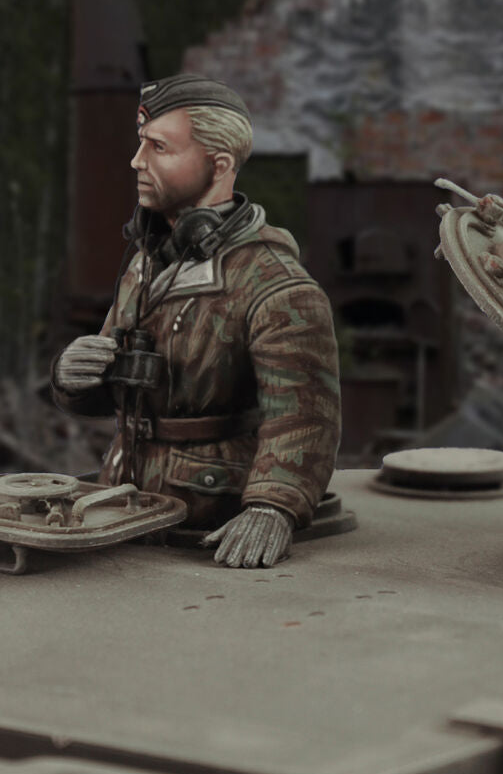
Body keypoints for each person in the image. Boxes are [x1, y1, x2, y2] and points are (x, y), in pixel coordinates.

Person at [51, 73, 341, 566]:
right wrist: (75, 377)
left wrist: (273, 506)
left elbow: (304, 416)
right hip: (123, 499)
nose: (136, 162)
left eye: (159, 147)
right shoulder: (149, 261)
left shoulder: (275, 284)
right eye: (141, 144)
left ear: (219, 164)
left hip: (211, 512)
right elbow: (121, 386)